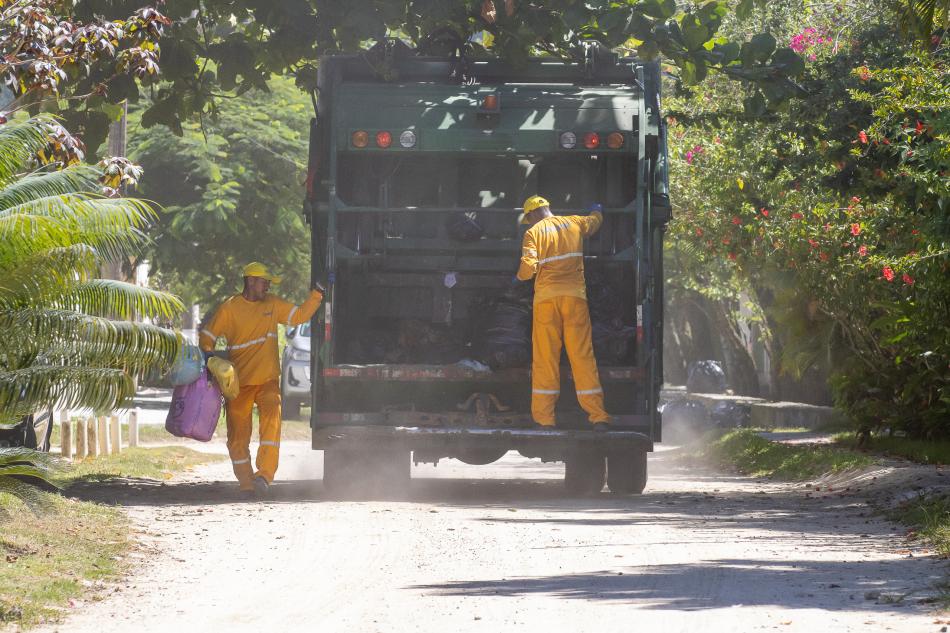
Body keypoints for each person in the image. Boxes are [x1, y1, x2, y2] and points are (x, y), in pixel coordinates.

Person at [199, 262, 324, 496]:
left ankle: (264, 476)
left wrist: (317, 295)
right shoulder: (230, 309)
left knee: (272, 418)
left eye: (268, 282)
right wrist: (210, 358)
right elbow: (207, 336)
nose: (267, 286)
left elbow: (297, 316)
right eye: (264, 281)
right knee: (237, 437)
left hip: (267, 381)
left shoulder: (273, 304)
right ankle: (246, 483)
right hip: (238, 385)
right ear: (251, 281)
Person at [516, 195, 610, 430]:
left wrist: (518, 277)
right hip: (575, 300)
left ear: (531, 215)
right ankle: (597, 416)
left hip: (546, 303)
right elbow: (594, 222)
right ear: (548, 208)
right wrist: (597, 210)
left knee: (545, 360)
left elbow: (528, 268)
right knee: (582, 357)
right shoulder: (575, 223)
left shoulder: (533, 233)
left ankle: (545, 420)